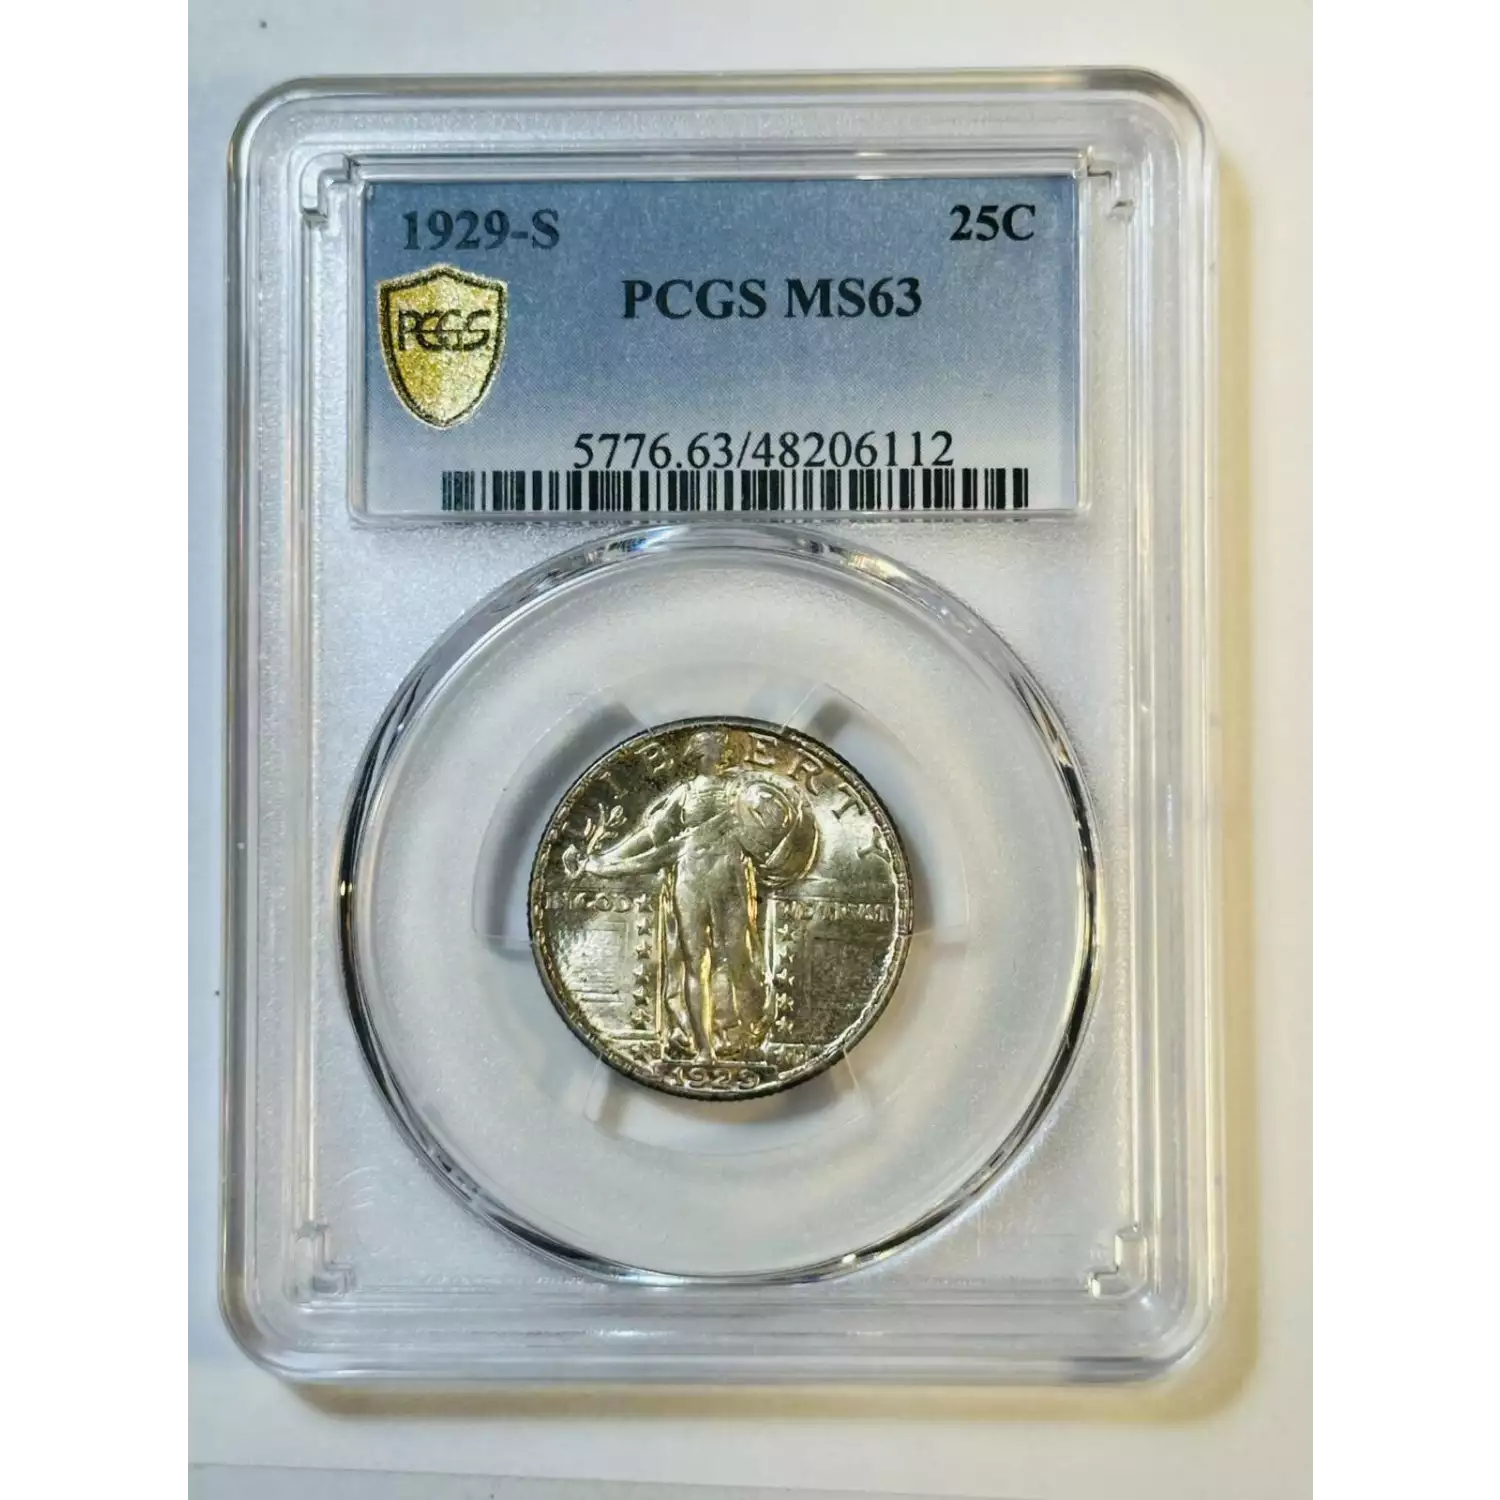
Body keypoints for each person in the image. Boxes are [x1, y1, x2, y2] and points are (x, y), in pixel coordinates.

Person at [575, 728, 815, 1060]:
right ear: (701, 753)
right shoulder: (684, 794)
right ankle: (702, 1047)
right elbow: (652, 835)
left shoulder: (740, 790)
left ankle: (740, 1034)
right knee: (694, 961)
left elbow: (774, 824)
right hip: (689, 877)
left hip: (730, 876)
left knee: (737, 957)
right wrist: (608, 859)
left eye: (723, 746)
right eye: (716, 746)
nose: (724, 750)